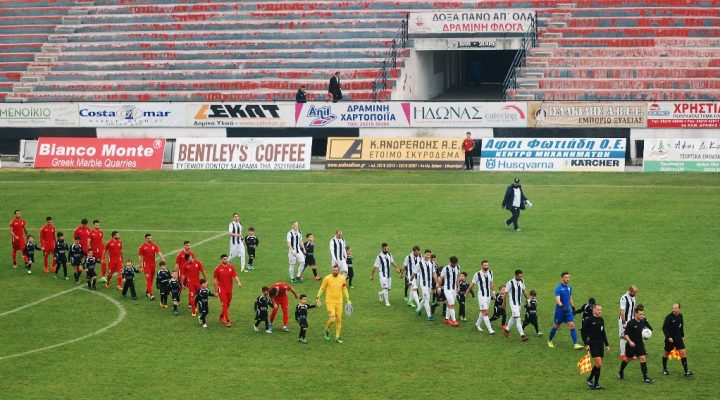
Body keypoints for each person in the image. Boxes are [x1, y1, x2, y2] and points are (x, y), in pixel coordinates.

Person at [618, 305, 655, 383]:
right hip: (631, 345)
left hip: (639, 344)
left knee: (643, 358)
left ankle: (646, 377)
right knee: (628, 359)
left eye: (642, 314)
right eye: (640, 314)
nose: (642, 316)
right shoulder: (631, 323)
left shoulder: (643, 321)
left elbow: (650, 328)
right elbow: (625, 334)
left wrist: (648, 334)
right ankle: (621, 371)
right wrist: (630, 341)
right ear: (635, 314)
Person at [316, 264, 351, 343]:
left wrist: (348, 299)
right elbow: (322, 288)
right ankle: (327, 329)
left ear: (338, 271)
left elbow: (344, 289)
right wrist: (317, 297)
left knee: (338, 319)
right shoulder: (327, 278)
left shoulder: (342, 278)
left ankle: (337, 337)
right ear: (332, 270)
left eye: (336, 270)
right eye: (333, 270)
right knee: (332, 319)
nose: (335, 272)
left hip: (339, 302)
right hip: (330, 302)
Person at [548, 272, 582, 349]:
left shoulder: (569, 287)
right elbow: (557, 299)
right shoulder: (558, 288)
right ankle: (549, 340)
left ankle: (575, 344)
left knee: (572, 325)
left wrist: (573, 308)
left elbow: (570, 298)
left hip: (568, 311)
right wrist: (562, 307)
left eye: (568, 277)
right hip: (560, 311)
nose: (568, 279)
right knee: (556, 326)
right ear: (562, 278)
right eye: (566, 277)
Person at [582, 304, 610, 390]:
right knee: (599, 363)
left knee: (598, 365)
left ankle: (592, 381)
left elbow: (603, 333)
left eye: (600, 310)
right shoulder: (589, 320)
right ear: (594, 310)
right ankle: (593, 381)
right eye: (598, 310)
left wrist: (607, 344)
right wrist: (586, 344)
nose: (599, 311)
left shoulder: (601, 320)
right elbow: (583, 332)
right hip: (592, 343)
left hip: (600, 344)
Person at [662, 303, 693, 377]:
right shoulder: (668, 317)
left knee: (683, 353)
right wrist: (668, 337)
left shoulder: (680, 316)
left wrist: (682, 336)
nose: (674, 310)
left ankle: (686, 371)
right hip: (670, 339)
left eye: (675, 308)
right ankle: (664, 369)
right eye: (673, 308)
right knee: (666, 353)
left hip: (678, 338)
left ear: (679, 309)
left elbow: (681, 326)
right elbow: (664, 328)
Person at [213, 254, 243, 327]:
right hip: (221, 289)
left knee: (227, 304)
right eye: (224, 259)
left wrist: (238, 282)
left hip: (229, 289)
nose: (225, 260)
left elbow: (235, 275)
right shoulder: (217, 269)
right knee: (225, 304)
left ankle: (221, 316)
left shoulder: (231, 267)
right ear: (221, 260)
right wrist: (216, 291)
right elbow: (215, 280)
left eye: (226, 259)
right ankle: (228, 321)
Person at [467, 260, 495, 334]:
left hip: (488, 295)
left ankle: (477, 324)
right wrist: (467, 293)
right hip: (481, 296)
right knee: (485, 312)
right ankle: (490, 330)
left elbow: (491, 283)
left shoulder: (490, 273)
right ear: (481, 266)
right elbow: (472, 285)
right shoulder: (477, 274)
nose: (486, 266)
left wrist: (493, 293)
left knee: (483, 311)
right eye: (485, 265)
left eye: (487, 265)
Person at [370, 242, 399, 307]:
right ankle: (387, 301)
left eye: (387, 249)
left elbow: (392, 262)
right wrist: (372, 275)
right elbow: (374, 267)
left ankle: (380, 293)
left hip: (388, 274)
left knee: (389, 289)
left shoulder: (389, 254)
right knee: (385, 288)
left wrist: (397, 268)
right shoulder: (379, 257)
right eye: (385, 249)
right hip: (382, 275)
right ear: (382, 249)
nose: (386, 250)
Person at [503, 269, 529, 341]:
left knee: (514, 317)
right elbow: (505, 294)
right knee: (518, 318)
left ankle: (506, 331)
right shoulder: (510, 283)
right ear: (515, 275)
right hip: (513, 303)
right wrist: (504, 303)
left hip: (519, 303)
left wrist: (528, 300)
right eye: (519, 276)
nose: (521, 278)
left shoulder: (522, 281)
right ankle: (522, 336)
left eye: (521, 276)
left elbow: (524, 291)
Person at [138, 233, 165, 300]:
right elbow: (139, 256)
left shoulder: (154, 245)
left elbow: (158, 251)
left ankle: (147, 291)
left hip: (153, 264)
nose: (150, 239)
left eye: (151, 238)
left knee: (151, 279)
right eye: (148, 238)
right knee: (148, 279)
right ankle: (150, 294)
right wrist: (141, 265)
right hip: (146, 265)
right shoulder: (142, 246)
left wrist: (162, 257)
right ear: (146, 239)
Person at [438, 256, 461, 327]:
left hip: (454, 289)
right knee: (452, 304)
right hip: (447, 289)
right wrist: (438, 288)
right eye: (453, 263)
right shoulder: (445, 269)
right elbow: (440, 278)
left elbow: (457, 277)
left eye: (456, 263)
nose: (455, 265)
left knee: (450, 304)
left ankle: (446, 319)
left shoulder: (458, 267)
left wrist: (458, 286)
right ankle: (454, 321)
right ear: (450, 262)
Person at [414, 249, 436, 321]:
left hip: (429, 284)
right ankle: (429, 316)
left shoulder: (432, 263)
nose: (428, 256)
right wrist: (410, 280)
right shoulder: (419, 264)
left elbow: (434, 273)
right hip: (423, 284)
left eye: (429, 255)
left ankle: (418, 309)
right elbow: (414, 273)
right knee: (427, 299)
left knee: (425, 298)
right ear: (424, 254)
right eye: (426, 255)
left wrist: (437, 282)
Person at [619, 285, 638, 359]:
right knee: (624, 336)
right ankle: (622, 354)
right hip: (624, 320)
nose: (635, 294)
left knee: (631, 336)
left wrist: (635, 319)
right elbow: (622, 311)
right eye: (634, 292)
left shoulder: (633, 298)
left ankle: (631, 353)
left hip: (631, 319)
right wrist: (624, 322)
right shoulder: (624, 298)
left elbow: (633, 309)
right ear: (630, 291)